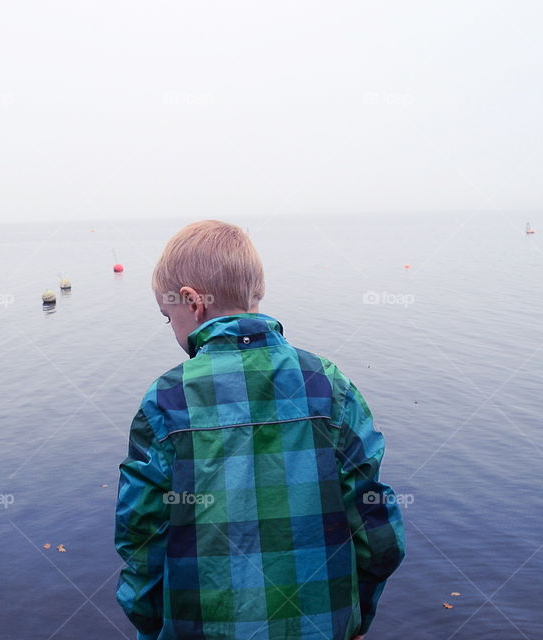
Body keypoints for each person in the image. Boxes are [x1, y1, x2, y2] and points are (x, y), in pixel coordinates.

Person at [115, 220, 405, 640]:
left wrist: (151, 622)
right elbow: (377, 528)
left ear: (193, 302)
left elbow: (141, 536)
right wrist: (355, 615)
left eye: (168, 317)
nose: (172, 329)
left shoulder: (167, 400)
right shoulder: (329, 386)